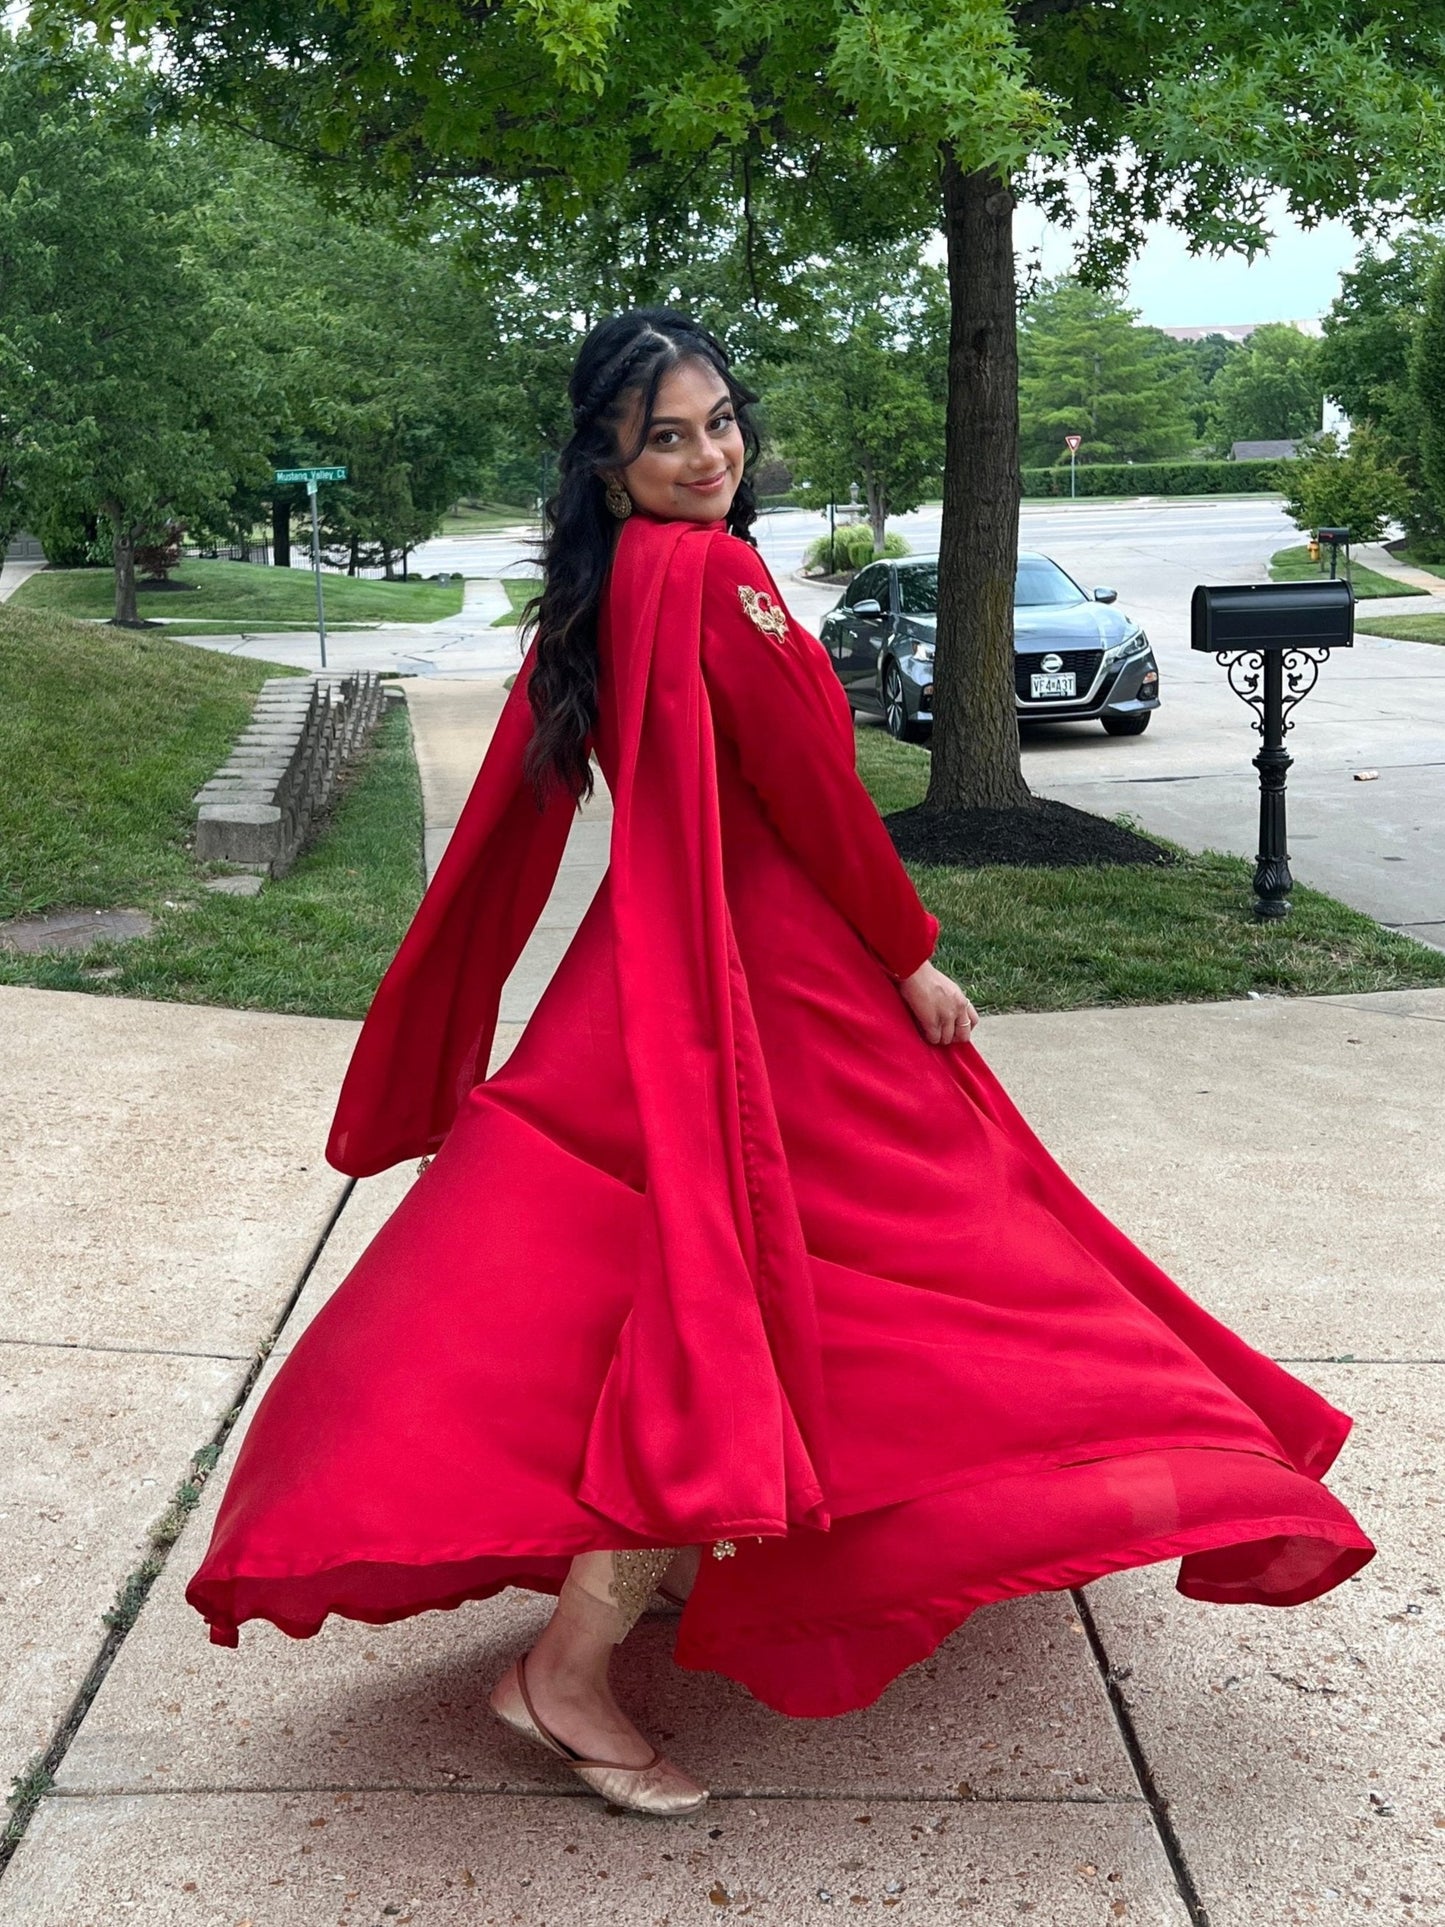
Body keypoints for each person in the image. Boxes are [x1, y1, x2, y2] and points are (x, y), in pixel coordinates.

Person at [186, 309, 1373, 1818]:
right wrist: (906, 952)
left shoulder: (596, 592)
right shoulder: (719, 576)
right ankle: (565, 1668)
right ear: (608, 465)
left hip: (644, 970)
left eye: (719, 421)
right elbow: (816, 799)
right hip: (765, 985)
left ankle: (668, 1558)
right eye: (666, 436)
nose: (709, 455)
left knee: (654, 1279)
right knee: (892, 1263)